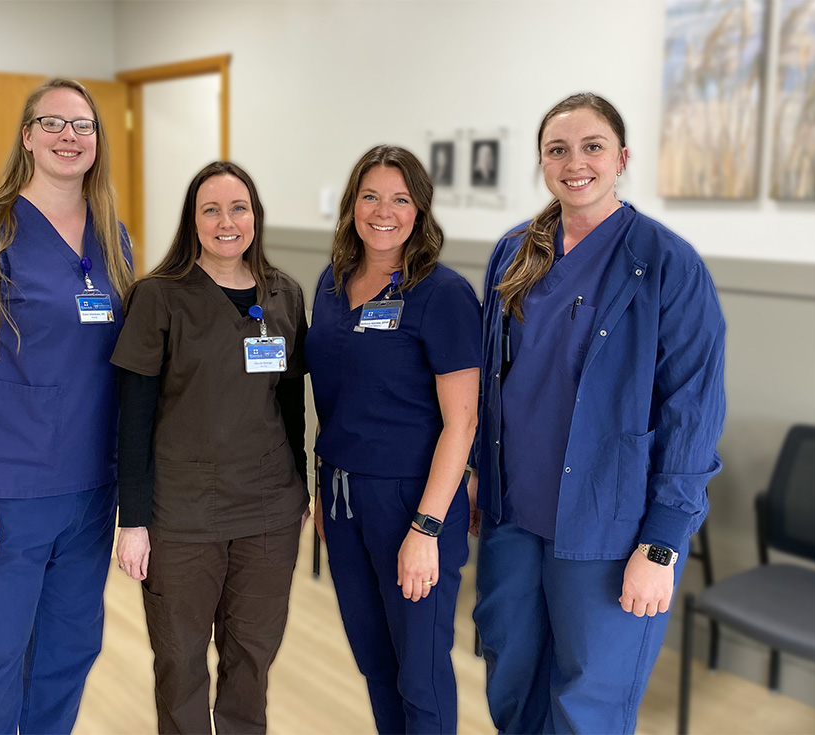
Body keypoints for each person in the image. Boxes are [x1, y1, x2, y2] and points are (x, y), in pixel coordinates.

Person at [469, 92, 726, 734]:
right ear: (542, 163)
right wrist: (479, 476)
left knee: (590, 706)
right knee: (512, 683)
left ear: (621, 159)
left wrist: (663, 542)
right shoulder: (513, 252)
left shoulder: (668, 265)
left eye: (592, 147)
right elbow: (492, 387)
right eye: (557, 149)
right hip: (514, 518)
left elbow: (692, 414)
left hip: (609, 529)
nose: (574, 162)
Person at [0, 78, 134, 734]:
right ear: (28, 137)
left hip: (93, 487)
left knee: (69, 650)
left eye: (84, 125)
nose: (70, 136)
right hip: (8, 491)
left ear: (98, 141)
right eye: (54, 123)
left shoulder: (112, 238)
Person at [112, 161, 309, 735]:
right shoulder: (159, 297)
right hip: (182, 512)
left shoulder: (284, 294)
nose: (227, 222)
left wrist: (299, 491)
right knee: (180, 660)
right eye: (211, 209)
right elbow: (133, 415)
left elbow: (292, 408)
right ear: (192, 221)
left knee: (253, 656)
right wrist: (134, 519)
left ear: (256, 216)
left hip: (268, 508)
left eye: (239, 208)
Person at [305, 145, 481, 734]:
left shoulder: (443, 293)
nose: (384, 211)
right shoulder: (331, 286)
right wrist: (323, 492)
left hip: (412, 502)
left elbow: (463, 422)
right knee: (376, 664)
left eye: (400, 198)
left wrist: (426, 528)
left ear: (420, 210)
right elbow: (329, 404)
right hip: (342, 497)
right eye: (371, 196)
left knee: (421, 674)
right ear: (352, 204)